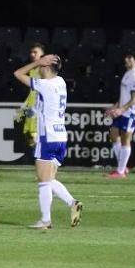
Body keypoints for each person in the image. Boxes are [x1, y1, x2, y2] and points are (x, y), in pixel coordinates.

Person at [14, 53, 82, 230]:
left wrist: (36, 61)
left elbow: (18, 74)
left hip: (47, 137)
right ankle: (72, 202)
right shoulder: (61, 82)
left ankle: (45, 221)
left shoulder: (44, 85)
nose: (38, 69)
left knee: (43, 181)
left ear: (46, 67)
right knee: (49, 179)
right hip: (61, 137)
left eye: (41, 66)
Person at [104, 51, 135, 178]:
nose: (126, 59)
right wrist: (114, 108)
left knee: (126, 139)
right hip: (123, 110)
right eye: (126, 57)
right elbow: (124, 96)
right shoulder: (128, 73)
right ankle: (122, 167)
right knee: (113, 133)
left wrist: (122, 109)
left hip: (131, 112)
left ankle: (120, 171)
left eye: (130, 57)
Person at [18, 43, 46, 149]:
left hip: (39, 109)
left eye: (35, 52)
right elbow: (32, 91)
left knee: (36, 135)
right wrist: (24, 106)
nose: (32, 54)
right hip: (31, 107)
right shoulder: (33, 70)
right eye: (31, 52)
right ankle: (37, 158)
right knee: (28, 135)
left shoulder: (45, 70)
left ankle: (43, 160)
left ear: (42, 55)